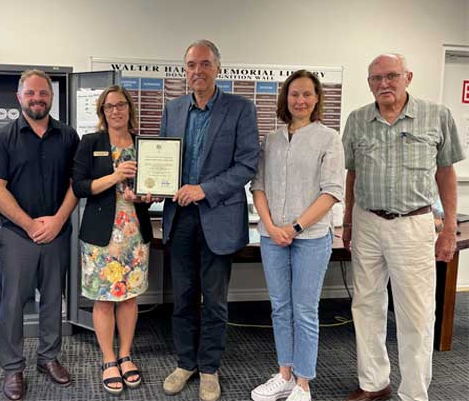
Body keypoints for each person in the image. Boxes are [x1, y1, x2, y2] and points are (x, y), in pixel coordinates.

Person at [342, 53, 465, 401]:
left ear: (408, 76)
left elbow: (446, 173)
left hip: (414, 224)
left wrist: (448, 228)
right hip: (367, 222)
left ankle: (413, 393)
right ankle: (374, 383)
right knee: (366, 306)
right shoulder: (357, 120)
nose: (384, 84)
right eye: (376, 78)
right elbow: (352, 174)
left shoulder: (436, 116)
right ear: (369, 83)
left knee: (416, 314)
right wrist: (349, 221)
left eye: (391, 76)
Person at [160, 39, 260, 401]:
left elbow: (247, 164)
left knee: (214, 300)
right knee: (183, 297)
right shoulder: (172, 109)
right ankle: (185, 363)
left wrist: (204, 189)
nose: (196, 71)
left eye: (204, 64)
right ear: (184, 70)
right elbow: (163, 160)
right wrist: (156, 184)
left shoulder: (240, 109)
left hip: (217, 217)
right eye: (190, 65)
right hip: (180, 218)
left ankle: (209, 369)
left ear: (218, 67)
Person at [249, 70, 344, 401]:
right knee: (279, 306)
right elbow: (257, 186)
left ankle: (304, 383)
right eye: (294, 94)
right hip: (271, 236)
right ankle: (285, 374)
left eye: (306, 94)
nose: (300, 100)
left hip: (312, 237)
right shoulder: (271, 140)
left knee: (304, 309)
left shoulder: (328, 138)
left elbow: (331, 191)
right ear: (285, 99)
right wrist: (272, 226)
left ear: (317, 98)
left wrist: (295, 227)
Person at [0, 69, 79, 400]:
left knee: (53, 299)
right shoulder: (2, 138)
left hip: (57, 232)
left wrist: (57, 220)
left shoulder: (68, 136)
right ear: (19, 96)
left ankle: (48, 358)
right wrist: (29, 224)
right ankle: (13, 368)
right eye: (31, 93)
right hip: (17, 236)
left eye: (43, 93)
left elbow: (75, 185)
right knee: (13, 302)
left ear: (52, 97)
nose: (37, 98)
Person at [73, 85, 154, 395]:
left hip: (134, 233)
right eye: (109, 107)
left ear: (129, 108)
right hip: (101, 237)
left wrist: (146, 196)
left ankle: (126, 355)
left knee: (129, 297)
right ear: (102, 112)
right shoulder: (91, 143)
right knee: (104, 298)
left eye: (121, 105)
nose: (116, 111)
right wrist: (116, 176)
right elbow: (80, 186)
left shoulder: (144, 145)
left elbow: (151, 191)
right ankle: (108, 359)